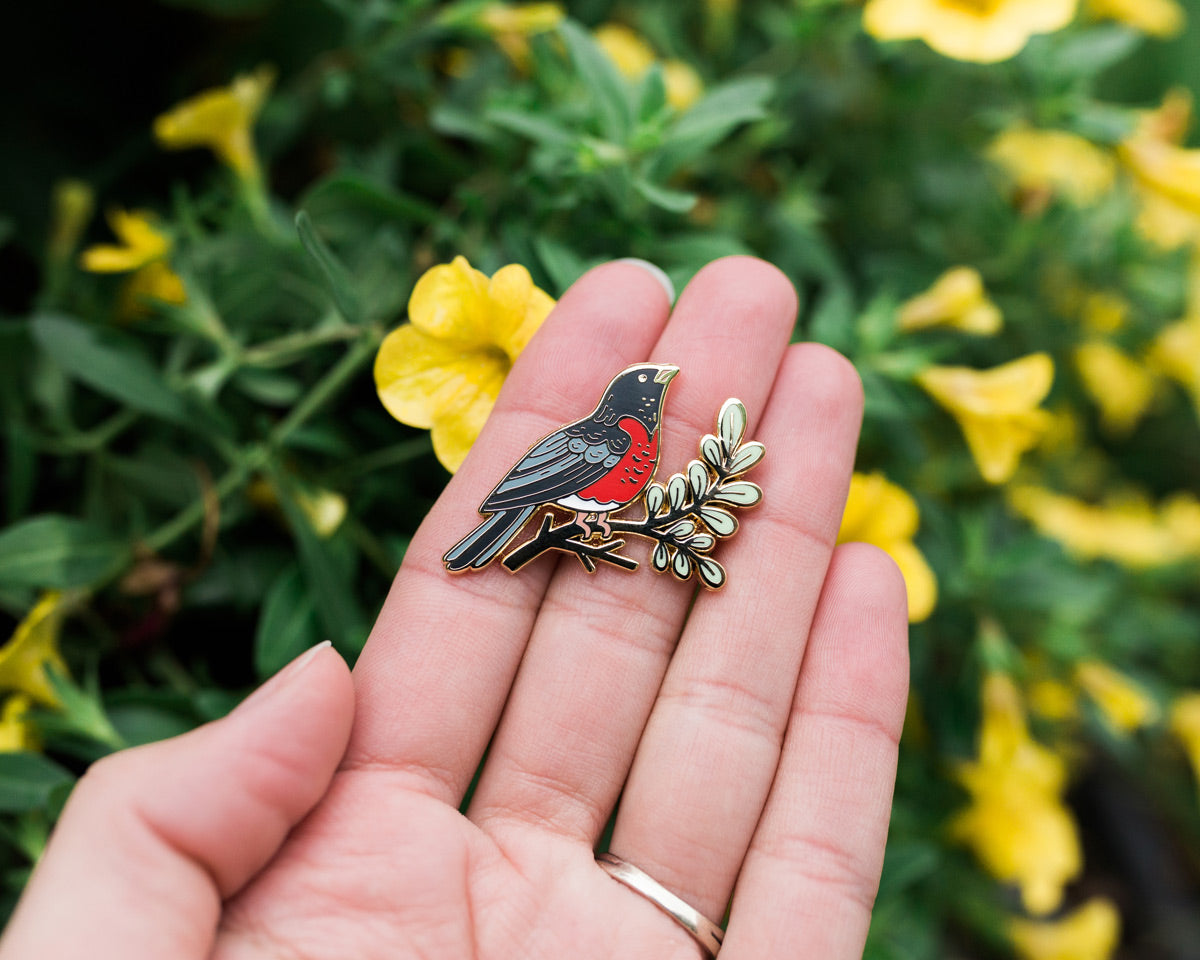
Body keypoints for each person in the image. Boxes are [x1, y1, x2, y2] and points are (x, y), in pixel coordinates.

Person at [0, 257, 909, 959]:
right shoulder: (610, 433)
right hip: (558, 511)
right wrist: (552, 521)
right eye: (648, 394)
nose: (656, 400)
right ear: (631, 402)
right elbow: (559, 477)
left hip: (586, 521)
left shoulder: (627, 434)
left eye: (654, 394)